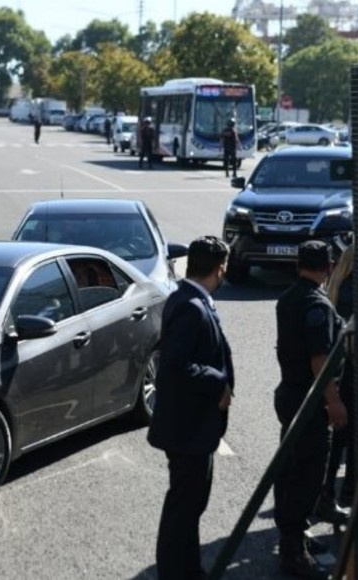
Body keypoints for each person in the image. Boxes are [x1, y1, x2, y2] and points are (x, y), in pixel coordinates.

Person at [148, 236, 234, 580]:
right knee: (183, 506)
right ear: (219, 268)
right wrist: (218, 382)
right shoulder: (190, 305)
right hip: (187, 428)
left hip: (193, 426)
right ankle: (175, 571)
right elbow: (173, 365)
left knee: (190, 504)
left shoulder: (191, 298)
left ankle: (188, 569)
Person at [273, 240, 347, 579]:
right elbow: (320, 360)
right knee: (306, 475)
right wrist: (333, 401)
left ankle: (294, 535)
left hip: (290, 393)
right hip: (309, 400)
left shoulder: (288, 297)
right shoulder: (316, 305)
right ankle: (292, 549)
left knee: (289, 467)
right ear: (328, 266)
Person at [321, 242, 356, 512]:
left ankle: (326, 491)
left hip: (340, 365)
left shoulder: (338, 285)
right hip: (355, 367)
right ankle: (347, 494)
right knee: (355, 437)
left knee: (339, 437)